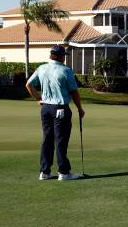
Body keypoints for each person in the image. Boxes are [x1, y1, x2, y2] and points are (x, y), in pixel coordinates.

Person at [25, 45, 85, 181]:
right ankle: (63, 172)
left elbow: (28, 85)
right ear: (59, 56)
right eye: (64, 55)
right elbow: (74, 92)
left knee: (47, 139)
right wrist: (80, 109)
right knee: (61, 140)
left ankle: (44, 172)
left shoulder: (41, 68)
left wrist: (39, 99)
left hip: (45, 108)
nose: (65, 58)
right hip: (60, 108)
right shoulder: (66, 71)